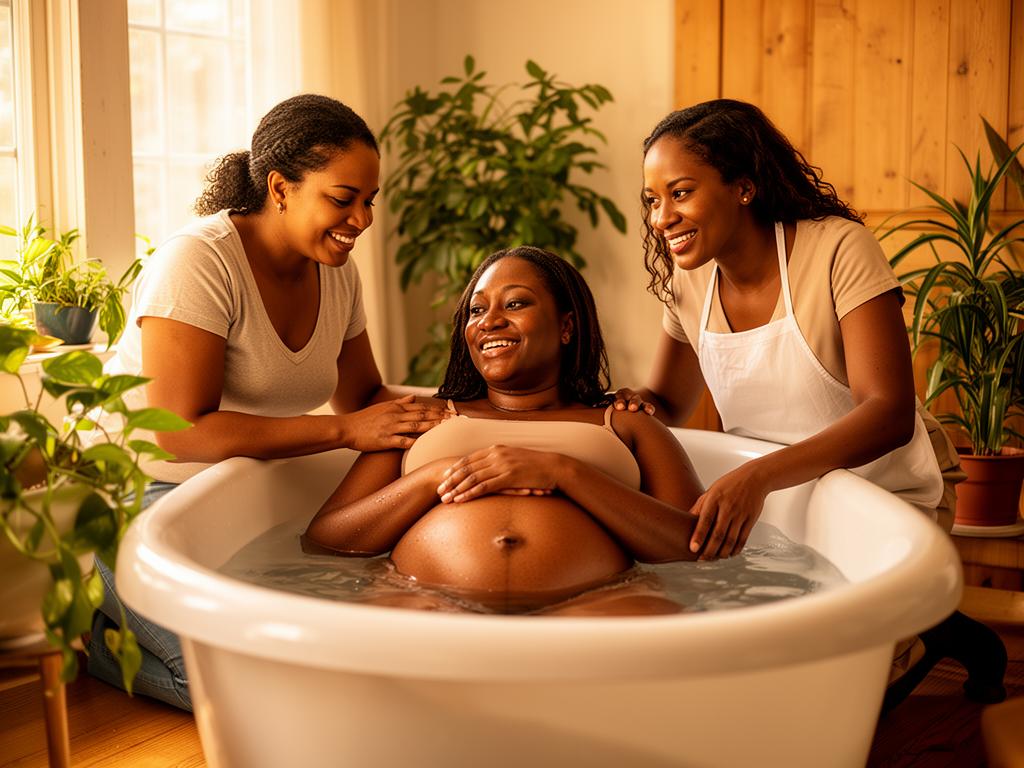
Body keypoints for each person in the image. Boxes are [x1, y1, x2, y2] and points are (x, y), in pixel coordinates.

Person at [620, 98, 1004, 707]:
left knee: (829, 691)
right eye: (652, 199)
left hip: (888, 489)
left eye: (681, 192)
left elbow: (887, 412)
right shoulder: (689, 279)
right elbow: (667, 400)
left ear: (742, 188)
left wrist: (757, 478)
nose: (662, 216)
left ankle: (933, 632)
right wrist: (624, 407)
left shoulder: (837, 250)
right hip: (773, 504)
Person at [88, 94, 448, 710]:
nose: (361, 220)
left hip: (239, 488)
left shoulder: (336, 269)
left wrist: (461, 412)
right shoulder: (200, 261)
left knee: (326, 666)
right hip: (136, 498)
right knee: (239, 692)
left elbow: (362, 399)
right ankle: (93, 629)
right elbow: (177, 433)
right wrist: (344, 434)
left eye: (369, 202)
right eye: (343, 199)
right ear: (280, 188)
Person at [305, 246, 704, 615]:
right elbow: (327, 540)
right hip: (420, 602)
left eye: (515, 303)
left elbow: (695, 547)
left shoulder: (626, 419)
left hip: (600, 604)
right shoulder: (417, 418)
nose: (490, 321)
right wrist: (436, 476)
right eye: (476, 311)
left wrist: (564, 473)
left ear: (567, 326)